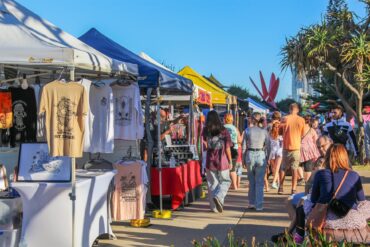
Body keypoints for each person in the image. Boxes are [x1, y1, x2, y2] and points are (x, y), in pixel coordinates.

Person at [294, 144, 366, 244]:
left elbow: (314, 199)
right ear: (345, 157)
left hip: (325, 218)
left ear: (327, 157)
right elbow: (362, 200)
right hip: (350, 217)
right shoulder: (354, 175)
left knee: (301, 206)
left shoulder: (321, 173)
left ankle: (299, 238)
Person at [203, 110, 232, 213]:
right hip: (222, 160)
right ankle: (219, 197)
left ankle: (214, 208)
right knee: (226, 181)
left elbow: (204, 145)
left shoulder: (205, 130)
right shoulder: (224, 130)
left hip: (210, 160)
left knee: (212, 183)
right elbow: (228, 147)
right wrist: (230, 160)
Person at [242, 112, 269, 211]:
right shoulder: (264, 131)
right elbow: (268, 146)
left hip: (250, 154)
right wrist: (268, 157)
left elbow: (244, 146)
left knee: (252, 181)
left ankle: (251, 203)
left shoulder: (247, 130)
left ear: (252, 119)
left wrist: (243, 159)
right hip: (261, 154)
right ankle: (259, 204)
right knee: (260, 182)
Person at [278, 103, 305, 195]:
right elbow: (302, 133)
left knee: (283, 168)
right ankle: (293, 189)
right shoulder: (301, 120)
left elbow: (280, 132)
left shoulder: (285, 119)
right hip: (296, 147)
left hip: (286, 146)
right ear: (297, 110)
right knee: (295, 168)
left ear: (290, 109)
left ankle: (281, 187)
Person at [224, 113, 242, 190]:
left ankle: (225, 185)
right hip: (234, 148)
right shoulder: (235, 128)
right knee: (233, 168)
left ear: (225, 119)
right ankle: (234, 185)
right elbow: (240, 140)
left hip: (224, 149)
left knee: (224, 168)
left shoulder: (222, 128)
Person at [299, 115, 320, 182]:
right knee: (308, 167)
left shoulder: (299, 129)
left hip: (299, 149)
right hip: (310, 151)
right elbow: (316, 141)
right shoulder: (312, 130)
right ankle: (307, 181)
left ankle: (301, 177)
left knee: (298, 165)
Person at [268, 121, 283, 190]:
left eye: (277, 127)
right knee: (274, 169)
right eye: (275, 127)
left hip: (277, 152)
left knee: (276, 168)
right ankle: (277, 182)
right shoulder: (270, 134)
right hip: (273, 152)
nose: (276, 128)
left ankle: (274, 182)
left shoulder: (281, 135)